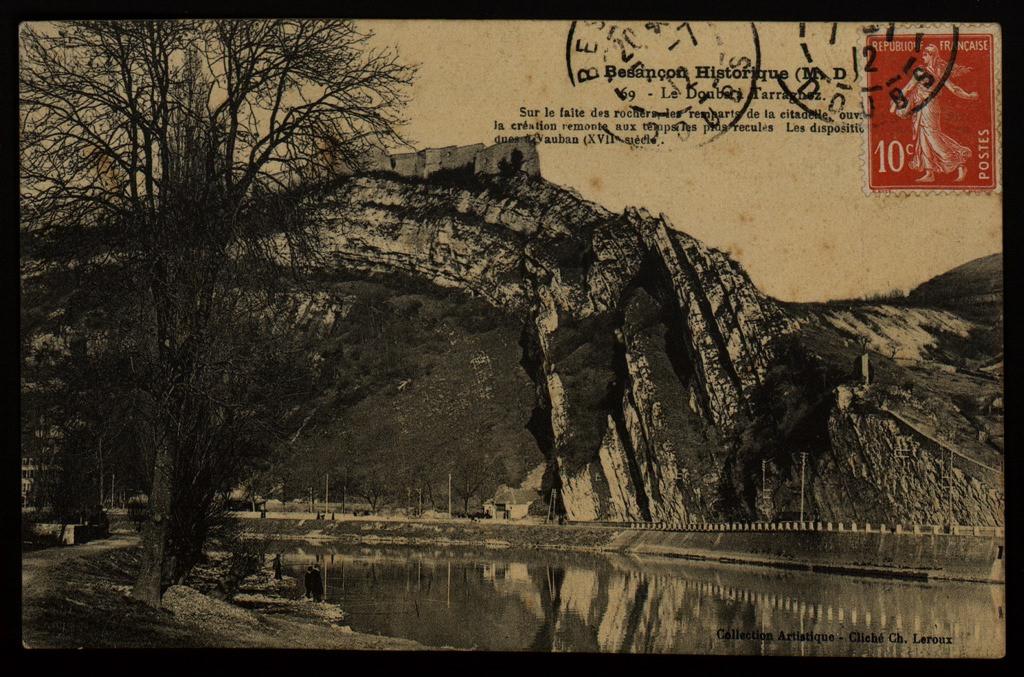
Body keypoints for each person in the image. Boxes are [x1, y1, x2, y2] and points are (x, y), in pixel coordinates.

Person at [891, 44, 979, 183]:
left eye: (926, 54)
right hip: (919, 109)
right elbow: (908, 87)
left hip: (931, 108)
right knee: (923, 139)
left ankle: (959, 162)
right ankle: (929, 172)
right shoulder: (919, 71)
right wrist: (895, 101)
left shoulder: (939, 71)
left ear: (932, 55)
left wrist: (968, 96)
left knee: (933, 138)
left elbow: (953, 88)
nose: (923, 57)